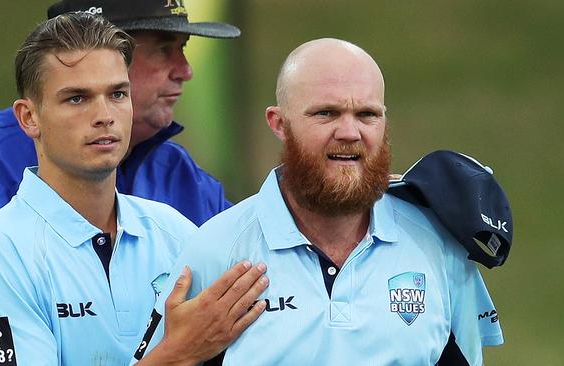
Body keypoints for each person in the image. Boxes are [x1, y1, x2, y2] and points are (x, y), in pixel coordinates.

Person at [136, 38, 504, 365]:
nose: (348, 132)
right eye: (325, 113)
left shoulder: (438, 244)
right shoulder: (215, 249)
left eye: (367, 115)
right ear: (279, 123)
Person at [0, 0, 241, 362]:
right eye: (77, 98)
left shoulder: (176, 220)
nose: (186, 70)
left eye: (117, 94)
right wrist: (175, 353)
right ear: (29, 117)